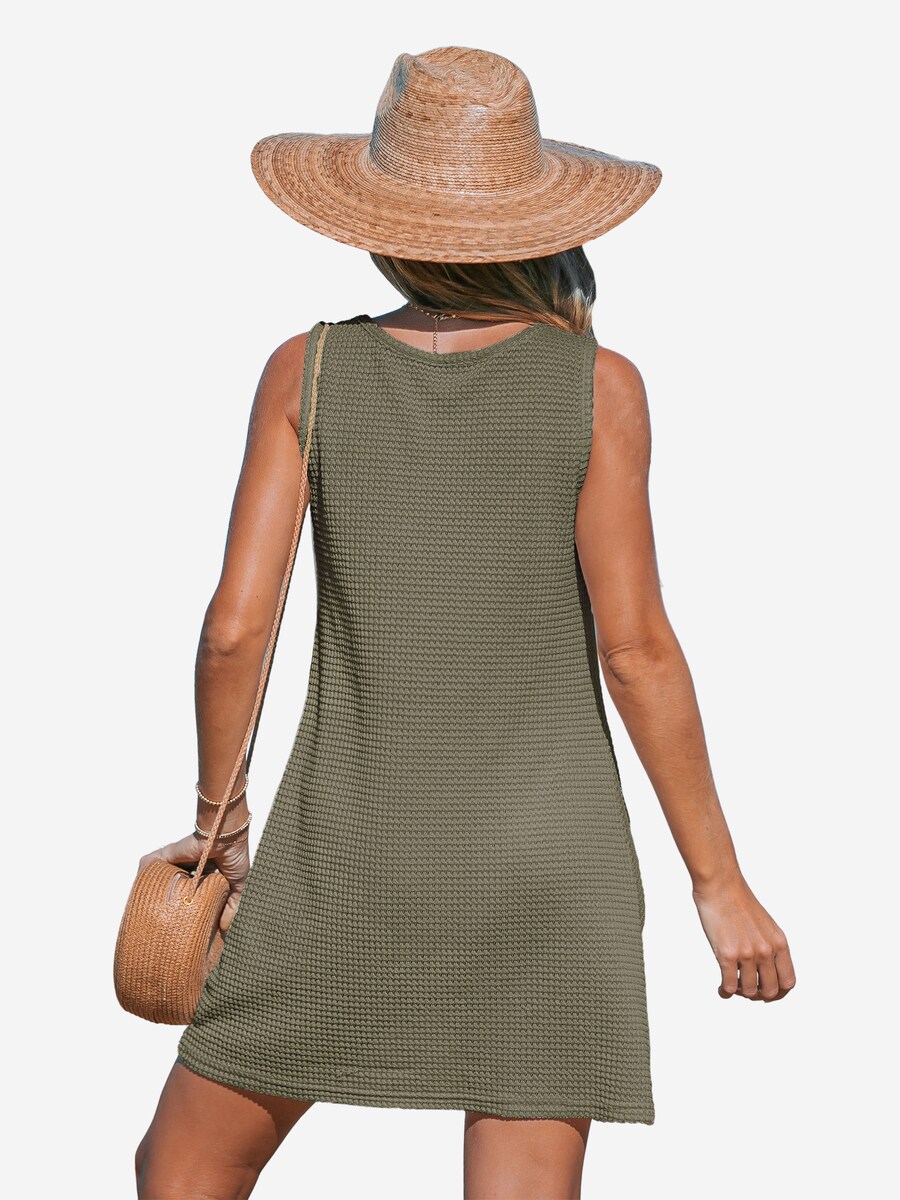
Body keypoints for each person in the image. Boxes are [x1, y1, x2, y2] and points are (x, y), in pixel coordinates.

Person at [134, 46, 796, 1200]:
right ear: (536, 218)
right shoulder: (599, 384)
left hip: (344, 857)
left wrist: (218, 825)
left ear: (380, 219)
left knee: (182, 1170)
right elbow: (637, 650)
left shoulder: (308, 372)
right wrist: (719, 881)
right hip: (549, 866)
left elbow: (236, 630)